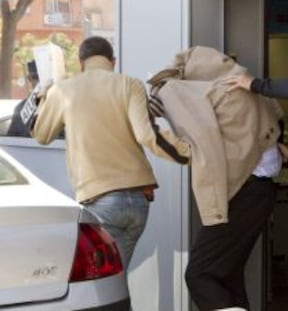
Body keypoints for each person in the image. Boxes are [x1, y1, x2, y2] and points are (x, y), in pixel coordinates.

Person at [31, 36, 191, 305]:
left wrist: (43, 97)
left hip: (100, 202)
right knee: (113, 282)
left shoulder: (64, 89)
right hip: (139, 201)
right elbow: (147, 135)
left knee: (104, 290)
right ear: (112, 61)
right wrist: (187, 153)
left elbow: (41, 135)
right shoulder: (129, 84)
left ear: (81, 62)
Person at [148, 46, 283, 311]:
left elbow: (198, 147)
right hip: (263, 189)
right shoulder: (245, 85)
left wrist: (154, 127)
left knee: (200, 274)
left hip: (242, 191)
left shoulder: (184, 92)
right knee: (229, 276)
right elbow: (276, 121)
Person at [7, 61, 39, 137]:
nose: (41, 82)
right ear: (30, 78)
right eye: (37, 77)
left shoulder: (62, 106)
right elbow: (11, 140)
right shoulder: (21, 108)